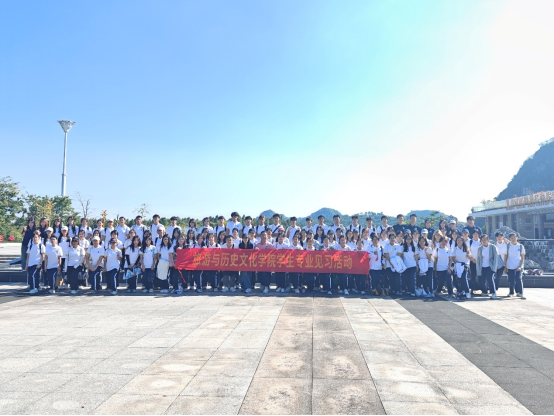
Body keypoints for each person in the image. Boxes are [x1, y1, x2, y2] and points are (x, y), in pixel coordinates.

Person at [476, 234, 499, 299]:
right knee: (481, 280)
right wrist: (478, 268)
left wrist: (494, 267)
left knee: (490, 278)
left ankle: (493, 292)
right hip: (482, 266)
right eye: (482, 240)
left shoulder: (493, 247)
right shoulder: (480, 248)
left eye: (485, 239)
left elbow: (496, 257)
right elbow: (478, 259)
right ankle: (484, 291)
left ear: (488, 240)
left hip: (490, 266)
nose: (484, 241)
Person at [505, 233, 526, 299]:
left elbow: (522, 257)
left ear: (517, 238)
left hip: (518, 265)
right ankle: (511, 292)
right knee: (511, 280)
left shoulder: (520, 246)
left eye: (514, 237)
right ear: (510, 239)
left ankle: (520, 293)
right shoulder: (507, 246)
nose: (513, 239)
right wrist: (505, 267)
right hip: (510, 265)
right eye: (511, 238)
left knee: (518, 278)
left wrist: (520, 266)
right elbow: (505, 257)